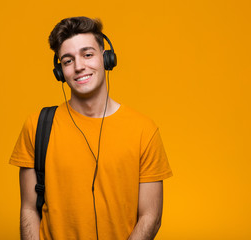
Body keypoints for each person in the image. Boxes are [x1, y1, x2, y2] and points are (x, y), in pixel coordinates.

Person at [10, 16, 172, 240]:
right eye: (67, 61)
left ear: (106, 58)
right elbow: (28, 208)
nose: (79, 67)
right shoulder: (37, 126)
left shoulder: (144, 130)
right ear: (60, 72)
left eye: (87, 55)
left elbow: (150, 216)